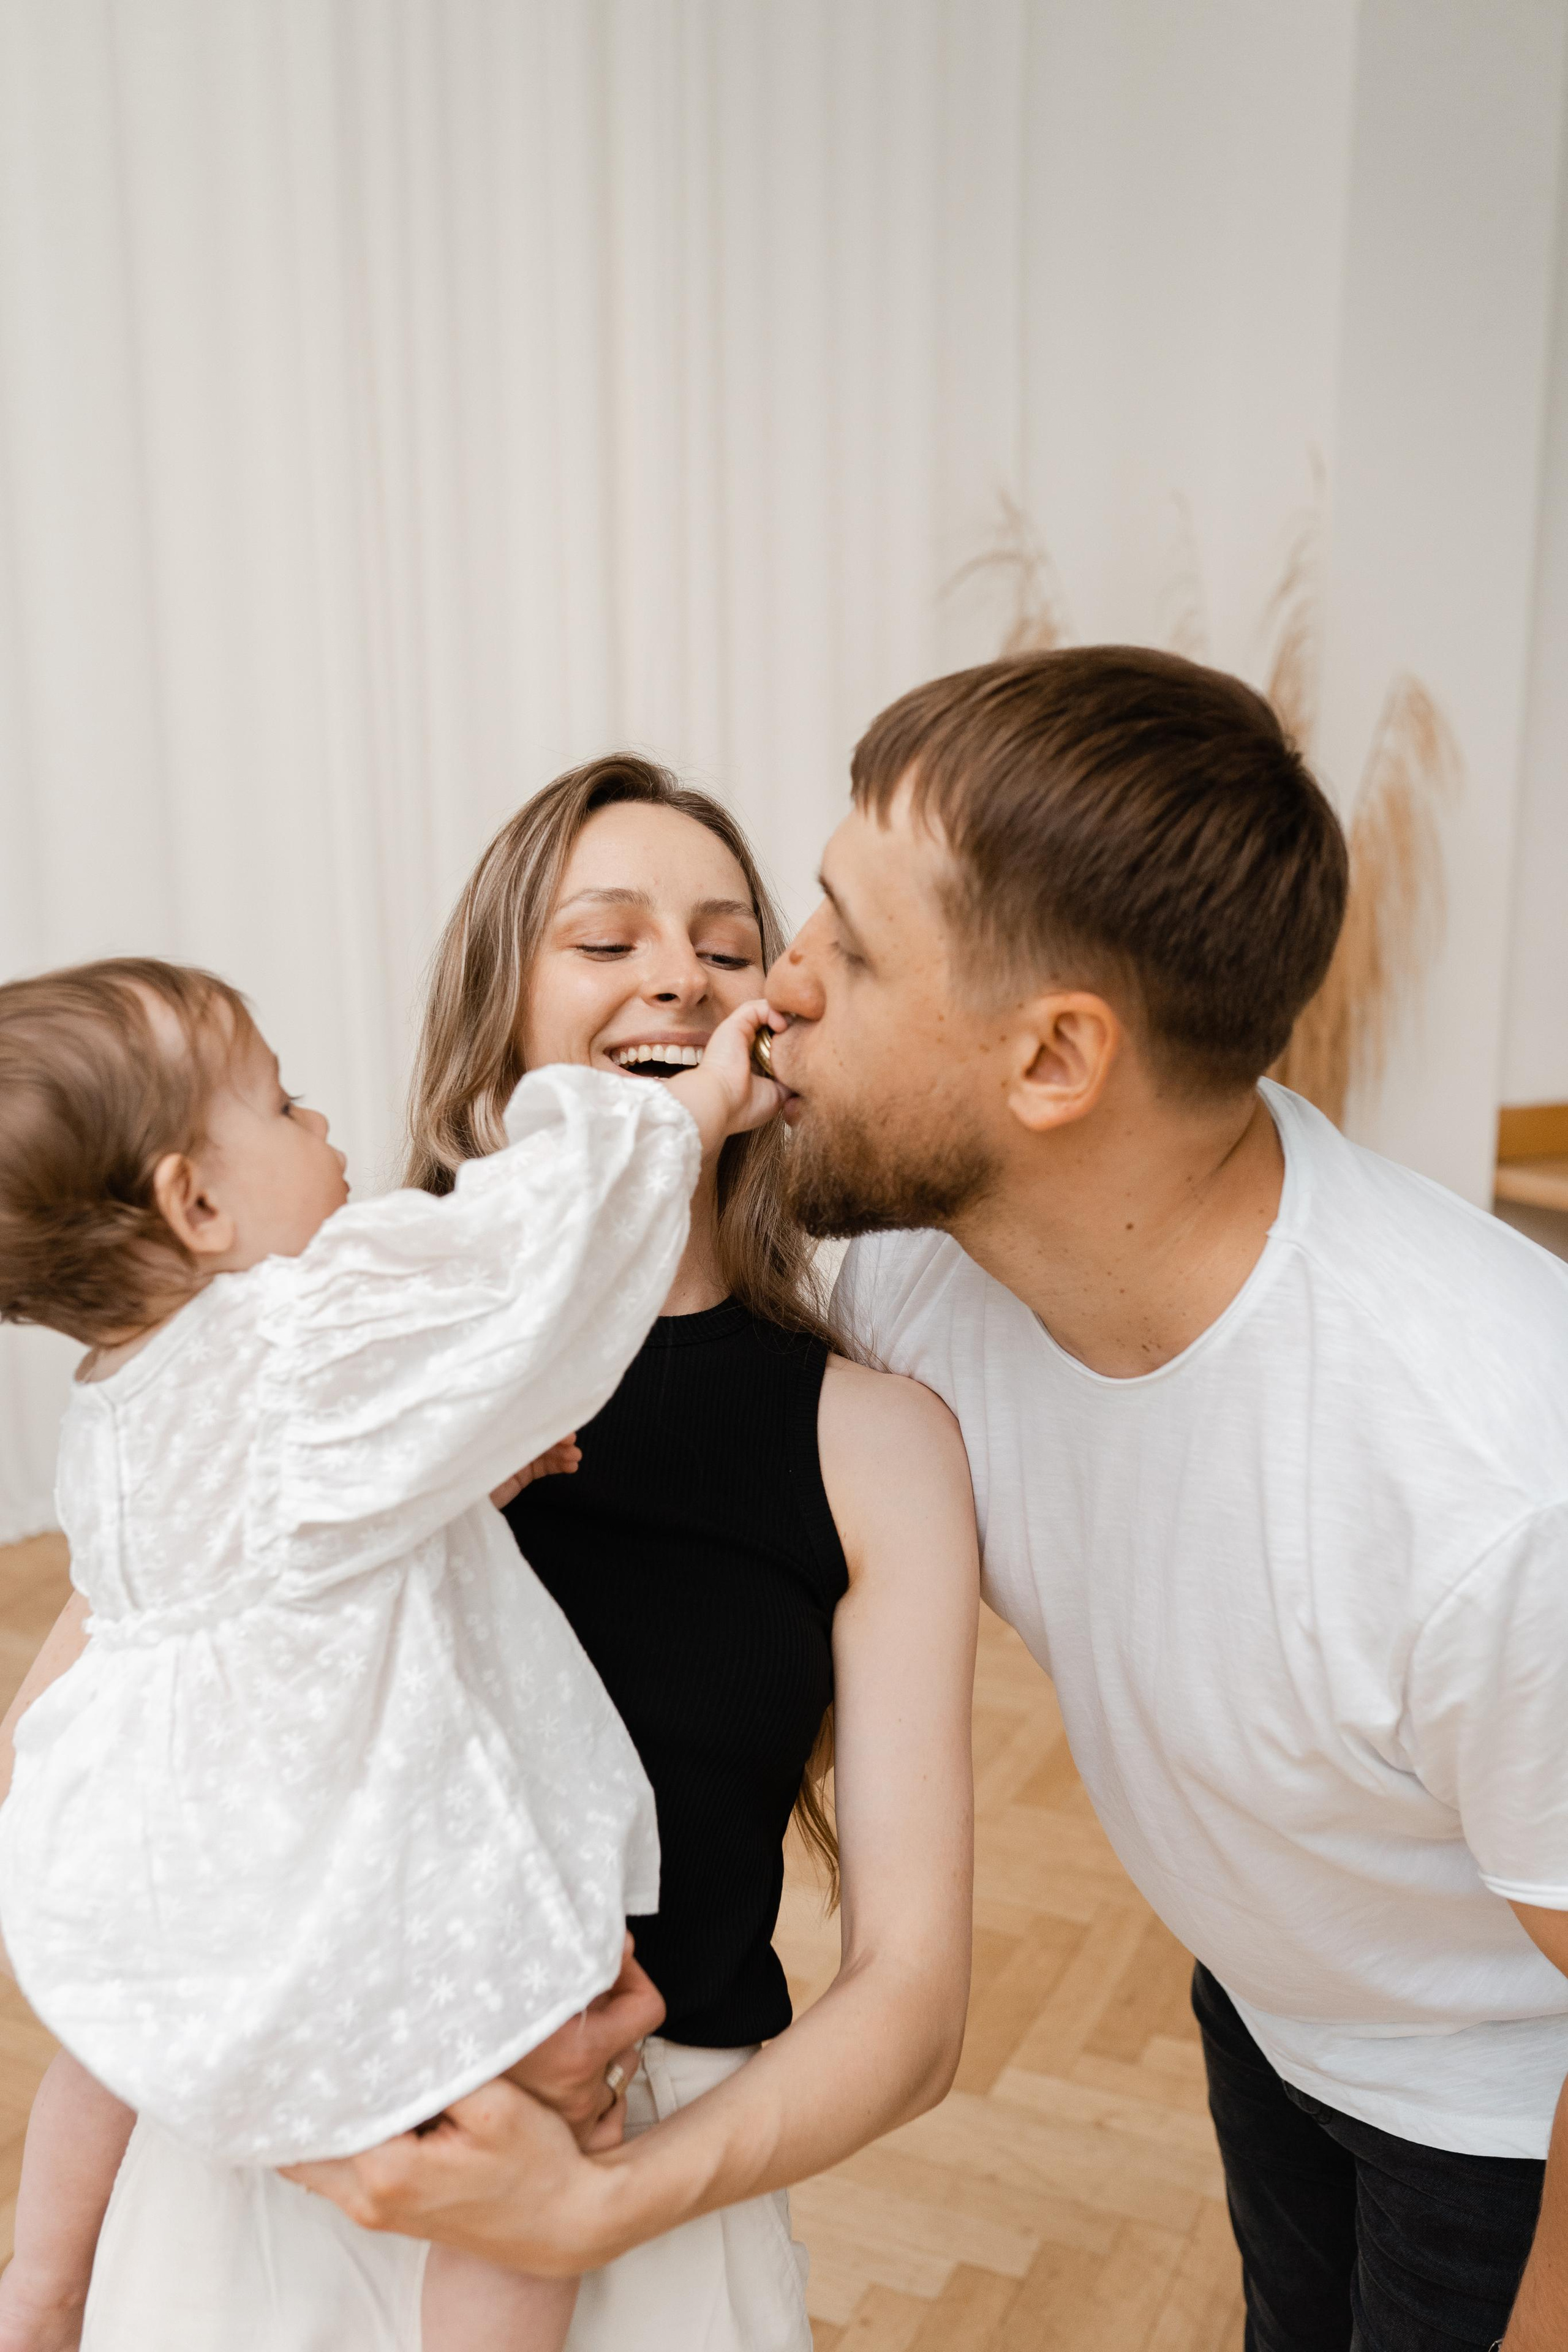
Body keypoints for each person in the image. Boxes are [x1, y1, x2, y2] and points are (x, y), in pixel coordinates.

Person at [296, 650, 1568, 2352]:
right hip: (1276, 2007)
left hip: (1494, 2098)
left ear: (1053, 1060)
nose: (774, 992)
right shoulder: (928, 1287)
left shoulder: (1492, 1482)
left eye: (839, 944)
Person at [12, 763, 981, 2351]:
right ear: (500, 1025)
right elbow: (90, 1749)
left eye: (730, 945)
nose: (681, 973)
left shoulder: (873, 1441)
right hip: (269, 2175)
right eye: (609, 939)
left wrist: (589, 2201)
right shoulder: (310, 1346)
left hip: (632, 2178)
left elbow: (917, 2003)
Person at [0, 952, 778, 2351]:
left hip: (192, 1864)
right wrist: (687, 1112)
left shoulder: (119, 1401)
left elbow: (277, 1559)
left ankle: (40, 2288)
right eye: (288, 1110)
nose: (328, 1130)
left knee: (115, 2039)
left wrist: (455, 1475)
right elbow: (517, 1259)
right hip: (353, 1871)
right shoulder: (300, 1340)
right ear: (197, 1201)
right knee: (543, 2125)